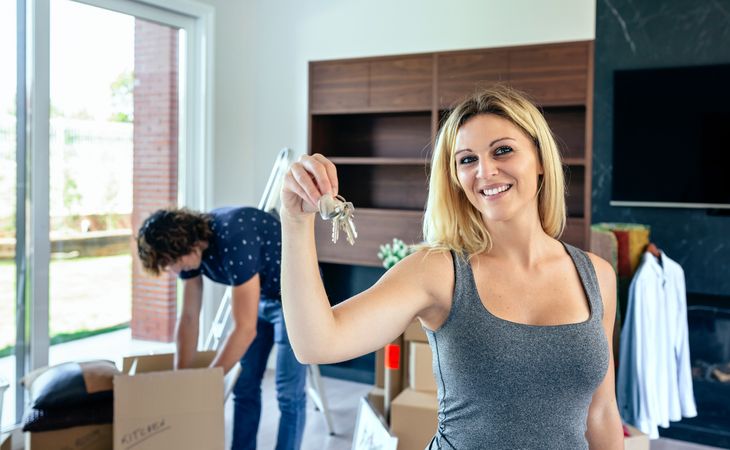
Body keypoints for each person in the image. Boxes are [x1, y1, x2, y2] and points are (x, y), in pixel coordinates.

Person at [279, 85, 623, 449]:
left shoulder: (597, 276)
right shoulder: (439, 271)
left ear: (539, 160)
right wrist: (294, 221)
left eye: (502, 150)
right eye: (467, 160)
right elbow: (317, 343)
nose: (485, 171)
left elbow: (601, 412)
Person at [136, 206, 306, 450]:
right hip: (261, 295)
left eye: (171, 262)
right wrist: (181, 382)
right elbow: (189, 318)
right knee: (244, 386)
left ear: (182, 243)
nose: (173, 271)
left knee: (288, 393)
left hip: (296, 298)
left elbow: (244, 329)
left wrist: (205, 384)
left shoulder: (234, 236)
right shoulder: (191, 255)